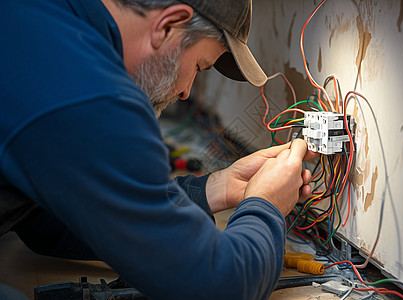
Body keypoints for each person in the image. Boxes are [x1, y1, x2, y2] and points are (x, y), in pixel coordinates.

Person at [0, 0, 314, 299]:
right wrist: (266, 204)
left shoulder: (48, 22)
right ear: (168, 25)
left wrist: (212, 189)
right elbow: (216, 285)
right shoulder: (90, 92)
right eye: (199, 66)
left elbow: (48, 221)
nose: (186, 91)